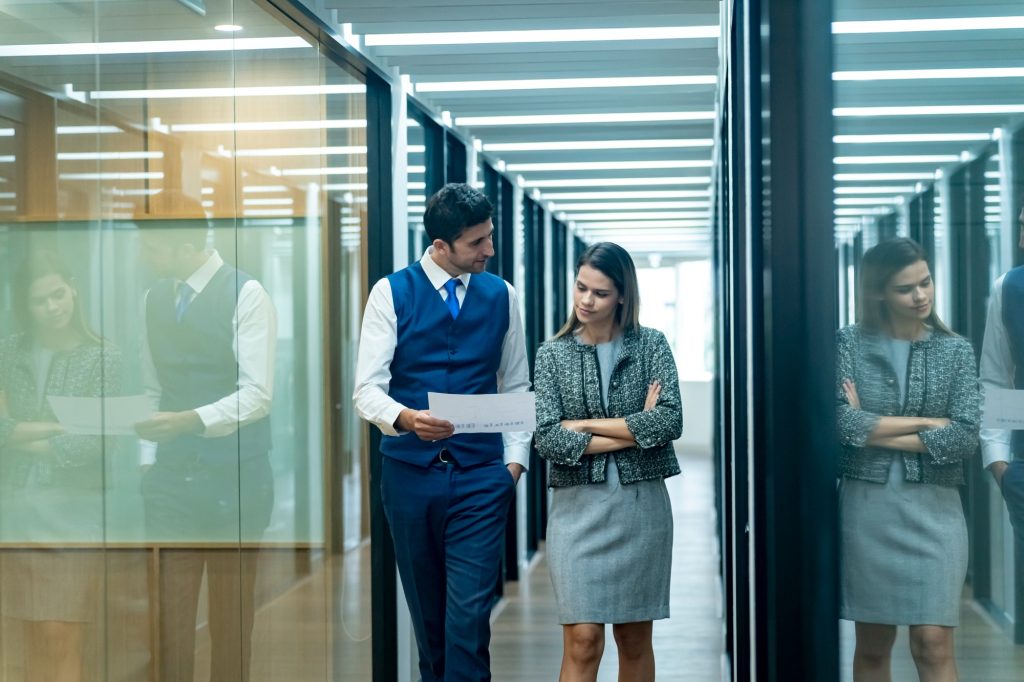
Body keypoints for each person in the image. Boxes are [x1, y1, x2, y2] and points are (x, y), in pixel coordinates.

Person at [353, 182, 530, 681]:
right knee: (429, 626)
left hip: (482, 479)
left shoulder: (502, 295)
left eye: (489, 237)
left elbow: (515, 383)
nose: (489, 250)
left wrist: (512, 467)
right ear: (440, 246)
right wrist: (407, 419)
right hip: (410, 479)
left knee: (469, 624)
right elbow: (366, 390)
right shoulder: (391, 293)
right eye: (477, 242)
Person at [134, 218, 277, 682]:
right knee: (169, 621)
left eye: (151, 249)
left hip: (235, 480)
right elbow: (152, 388)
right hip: (171, 483)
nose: (143, 258)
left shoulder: (247, 293)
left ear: (187, 246)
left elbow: (257, 395)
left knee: (231, 621)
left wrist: (190, 422)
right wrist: (148, 460)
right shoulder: (153, 299)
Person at [532, 241, 682, 682]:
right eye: (581, 287)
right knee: (583, 640)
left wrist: (583, 425)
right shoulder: (552, 354)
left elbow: (670, 421)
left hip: (641, 509)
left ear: (621, 296)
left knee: (634, 639)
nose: (585, 300)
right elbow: (548, 438)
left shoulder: (651, 344)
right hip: (577, 514)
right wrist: (634, 428)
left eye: (599, 293)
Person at [836, 238, 979, 682]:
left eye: (926, 282)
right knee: (874, 642)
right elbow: (839, 423)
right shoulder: (848, 343)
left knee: (934, 641)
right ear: (878, 292)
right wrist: (930, 423)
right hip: (868, 509)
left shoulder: (955, 350)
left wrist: (873, 427)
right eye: (906, 289)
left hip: (936, 512)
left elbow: (965, 436)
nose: (921, 296)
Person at [0, 250, 120, 682]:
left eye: (58, 295)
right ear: (24, 306)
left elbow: (94, 443)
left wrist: (20, 434)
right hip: (14, 511)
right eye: (39, 301)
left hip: (72, 512)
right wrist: (54, 426)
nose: (52, 308)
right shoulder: (8, 351)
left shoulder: (102, 357)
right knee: (26, 636)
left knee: (59, 635)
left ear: (72, 288)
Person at [979, 206, 1024, 575]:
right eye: (1022, 226)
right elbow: (1000, 379)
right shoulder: (1009, 288)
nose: (1022, 242)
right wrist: (1000, 464)